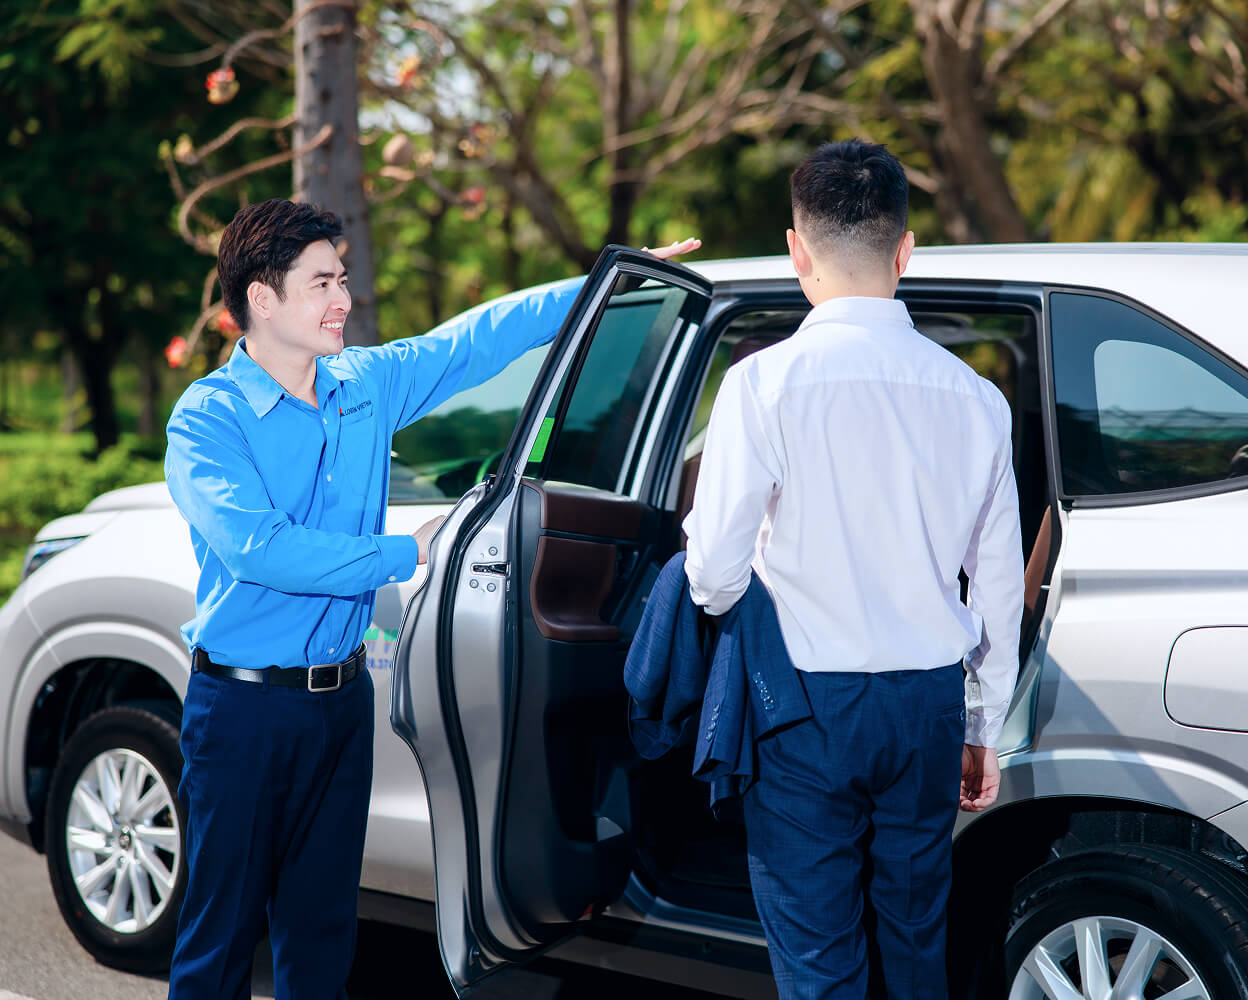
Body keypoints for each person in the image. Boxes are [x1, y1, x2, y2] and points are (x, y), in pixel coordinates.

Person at [162, 198, 695, 998]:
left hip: (340, 706)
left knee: (321, 938)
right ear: (262, 299)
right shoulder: (208, 418)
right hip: (241, 714)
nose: (343, 298)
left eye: (342, 278)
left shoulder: (364, 385)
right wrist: (409, 549)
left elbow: (473, 342)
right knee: (219, 942)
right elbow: (259, 549)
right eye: (320, 284)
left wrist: (605, 285)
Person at [683, 140, 1023, 999]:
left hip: (802, 708)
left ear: (797, 249)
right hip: (928, 706)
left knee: (818, 958)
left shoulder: (762, 386)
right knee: (917, 947)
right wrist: (983, 727)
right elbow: (998, 584)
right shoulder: (978, 399)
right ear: (905, 250)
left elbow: (712, 579)